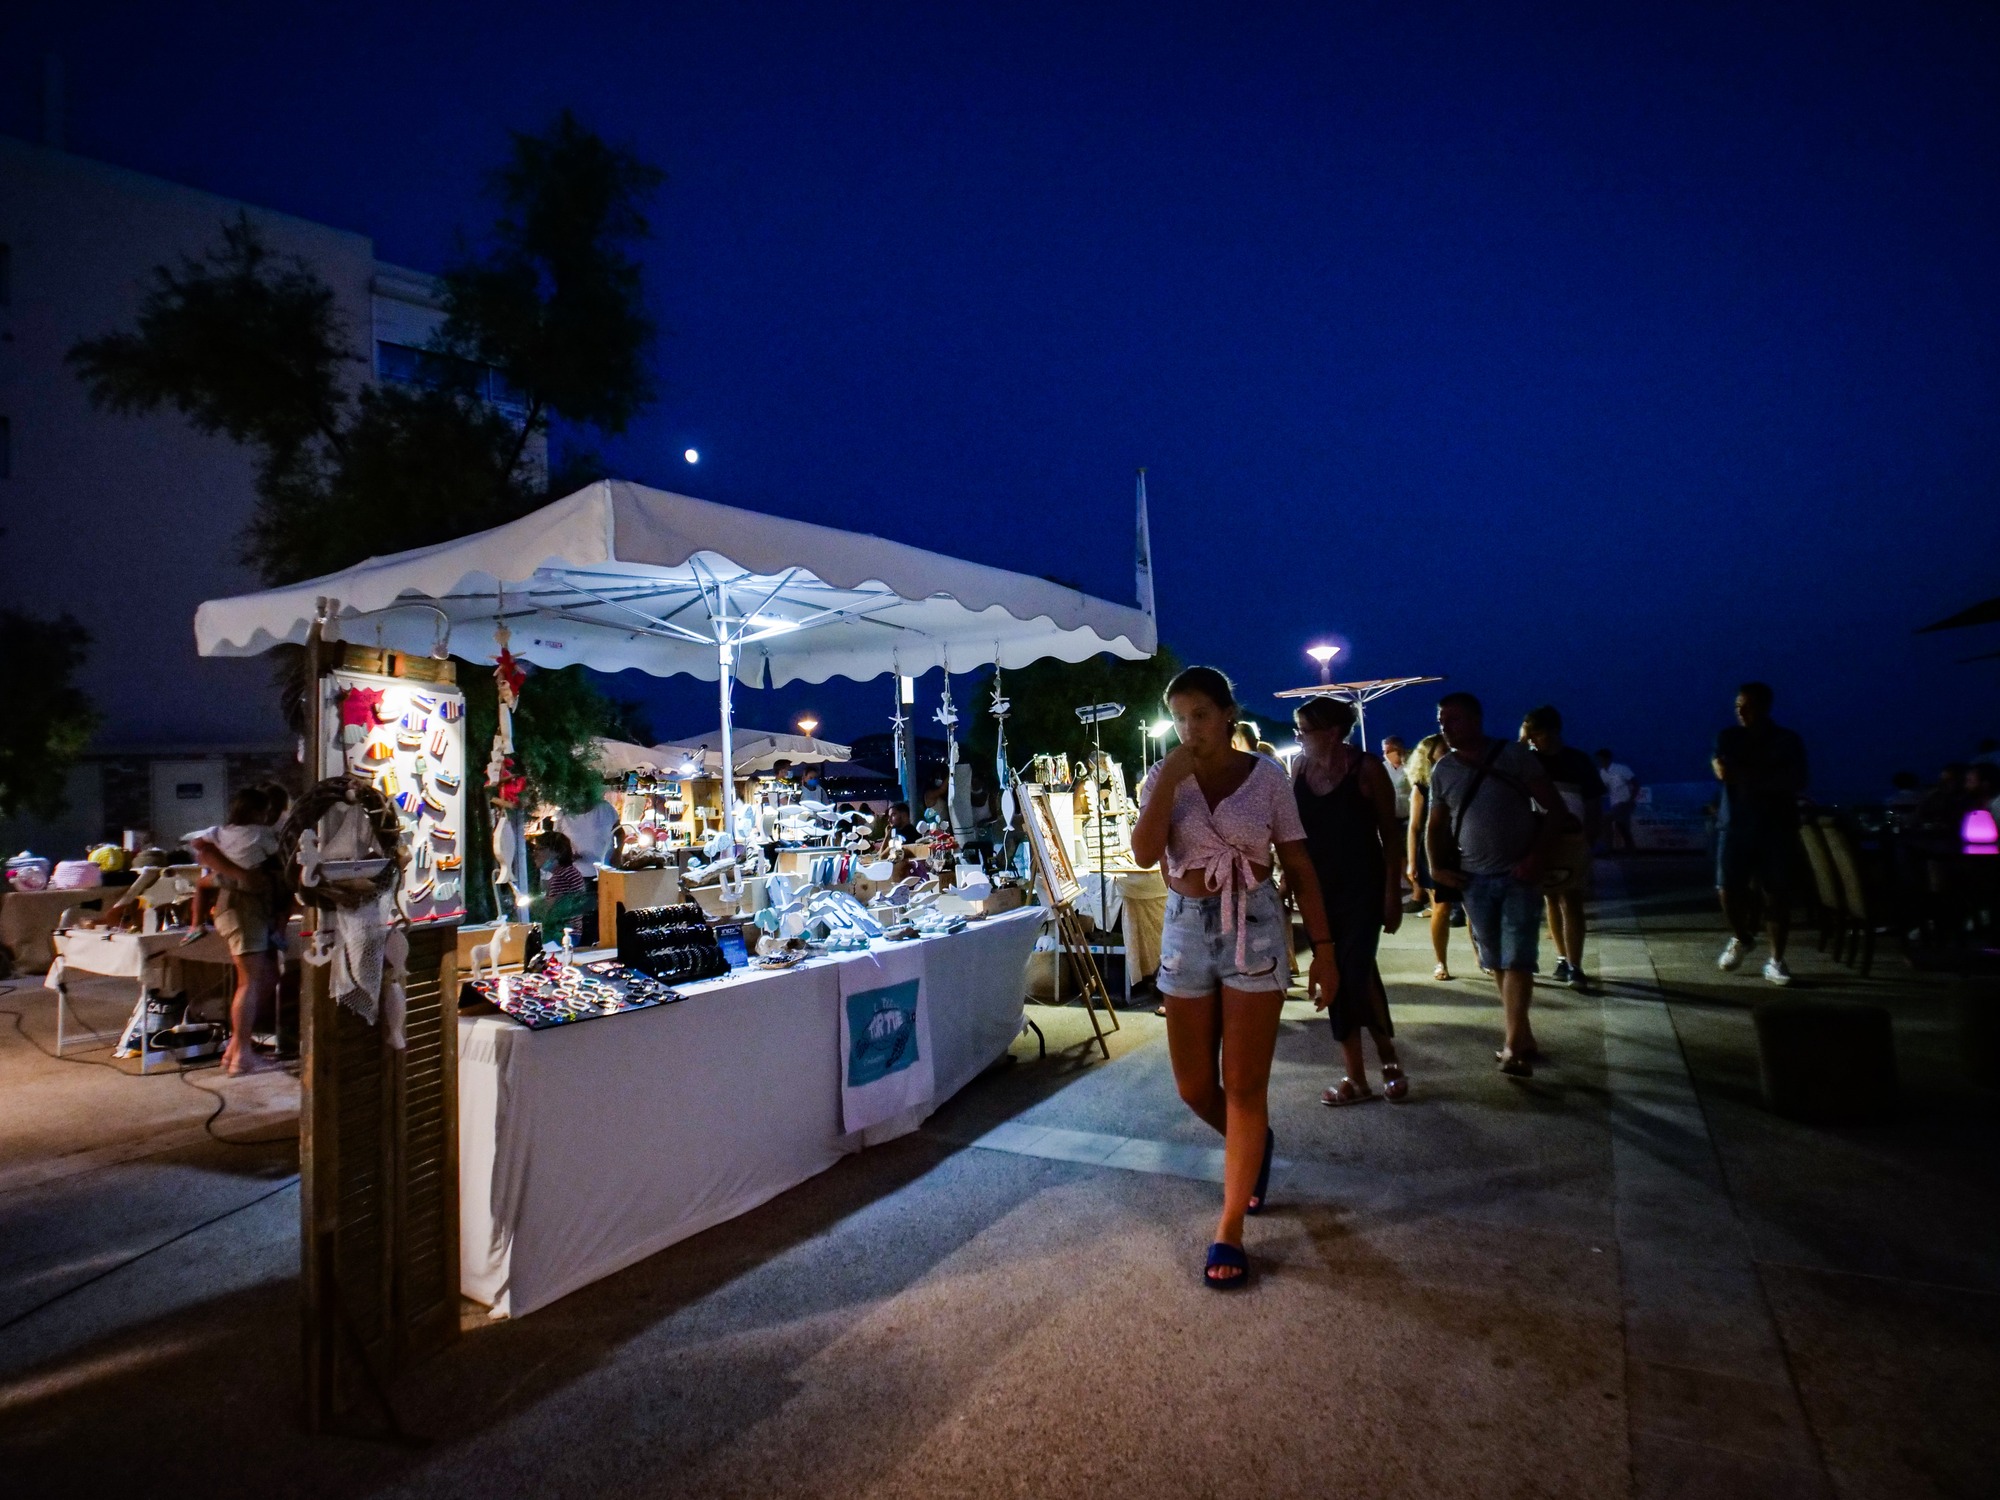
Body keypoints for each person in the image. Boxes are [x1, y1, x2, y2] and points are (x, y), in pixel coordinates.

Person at [1131, 667, 1340, 1289]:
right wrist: (1167, 781)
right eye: (1179, 717)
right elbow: (1144, 854)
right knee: (1195, 1087)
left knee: (1244, 1085)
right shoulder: (1164, 777)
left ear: (1227, 715)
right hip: (1186, 930)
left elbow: (1298, 861)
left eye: (1200, 714)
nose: (1189, 728)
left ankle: (1230, 1228)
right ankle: (1253, 1149)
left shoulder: (1268, 778)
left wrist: (1323, 950)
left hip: (1255, 925)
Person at [1425, 692, 1575, 1076]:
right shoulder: (1443, 770)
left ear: (1476, 719)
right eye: (1442, 720)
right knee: (1495, 961)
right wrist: (1435, 869)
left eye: (1453, 719)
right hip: (1472, 879)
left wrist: (1536, 857)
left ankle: (1512, 1045)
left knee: (1517, 958)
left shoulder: (1514, 756)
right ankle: (1521, 1035)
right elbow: (1434, 826)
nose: (1446, 726)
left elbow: (1555, 810)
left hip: (1518, 875)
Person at [1291, 697, 1408, 1104]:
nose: (1299, 738)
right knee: (1354, 972)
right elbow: (1295, 836)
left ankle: (1356, 1077)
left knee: (1348, 973)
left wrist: (1393, 894)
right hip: (1319, 890)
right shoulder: (1298, 769)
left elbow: (1391, 839)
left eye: (1304, 730)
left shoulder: (1367, 769)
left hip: (1363, 887)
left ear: (1332, 732)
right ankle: (1386, 1058)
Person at [1712, 681, 1808, 985]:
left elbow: (1798, 779)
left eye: (1748, 705)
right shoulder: (1728, 736)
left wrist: (1747, 776)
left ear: (1765, 707)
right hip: (1735, 824)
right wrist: (1768, 777)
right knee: (1727, 888)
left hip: (1777, 828)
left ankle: (1777, 960)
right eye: (1738, 705)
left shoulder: (1787, 739)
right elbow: (1723, 770)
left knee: (1777, 895)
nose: (1741, 711)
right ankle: (1742, 937)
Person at [186, 785, 287, 1075]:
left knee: (267, 976)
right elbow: (286, 859)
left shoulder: (220, 831)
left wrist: (230, 867)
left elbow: (198, 845)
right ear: (260, 811)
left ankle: (235, 1047)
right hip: (243, 906)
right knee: (249, 982)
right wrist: (242, 873)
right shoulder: (262, 835)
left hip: (236, 905)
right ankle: (242, 1055)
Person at [1520, 706, 1604, 990]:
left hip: (1572, 840)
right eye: (1531, 734)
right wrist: (1522, 741)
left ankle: (1575, 964)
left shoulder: (1578, 761)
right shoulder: (1527, 761)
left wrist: (1589, 839)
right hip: (1539, 837)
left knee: (1572, 899)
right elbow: (1508, 772)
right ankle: (1561, 957)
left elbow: (1593, 803)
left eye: (1537, 734)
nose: (1534, 740)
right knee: (1550, 899)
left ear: (1553, 732)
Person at [1405, 734, 1461, 980]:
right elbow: (1415, 827)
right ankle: (1441, 962)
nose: (1449, 752)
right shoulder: (1422, 787)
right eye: (1443, 749)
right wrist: (1412, 861)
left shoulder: (1459, 780)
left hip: (1461, 847)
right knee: (1441, 906)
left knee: (1470, 907)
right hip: (1433, 850)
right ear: (1429, 756)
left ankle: (1484, 959)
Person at [1596, 749, 1639, 853]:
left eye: (1599, 759)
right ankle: (1631, 849)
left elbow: (1636, 784)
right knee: (1622, 825)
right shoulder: (1602, 772)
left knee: (1606, 819)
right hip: (1615, 803)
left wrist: (1631, 800)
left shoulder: (1621, 769)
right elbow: (1603, 788)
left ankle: (1608, 848)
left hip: (1625, 802)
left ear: (1606, 759)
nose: (1598, 761)